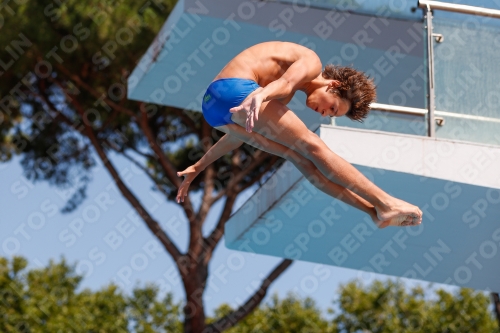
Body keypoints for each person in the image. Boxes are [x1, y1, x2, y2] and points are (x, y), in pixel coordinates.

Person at [176, 41, 422, 228]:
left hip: (214, 111)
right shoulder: (311, 62)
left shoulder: (283, 96)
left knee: (300, 159)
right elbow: (284, 82)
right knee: (313, 145)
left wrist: (198, 166)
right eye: (333, 108)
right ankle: (386, 201)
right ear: (333, 85)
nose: (325, 114)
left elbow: (235, 135)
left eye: (331, 115)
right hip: (235, 89)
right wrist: (261, 95)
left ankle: (372, 211)